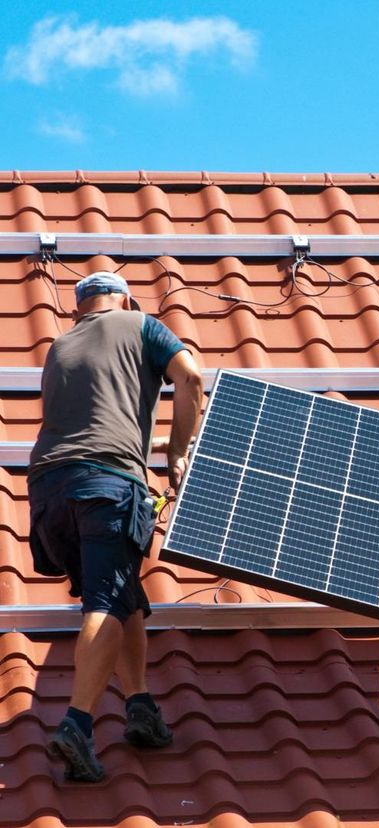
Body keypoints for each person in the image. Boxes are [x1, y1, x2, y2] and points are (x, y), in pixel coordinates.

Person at [28, 271, 203, 782]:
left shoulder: (60, 345)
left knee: (123, 591)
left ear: (78, 309)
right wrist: (175, 453)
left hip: (47, 493)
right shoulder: (142, 323)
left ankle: (141, 706)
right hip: (107, 482)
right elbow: (191, 378)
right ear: (125, 299)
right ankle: (78, 725)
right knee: (105, 602)